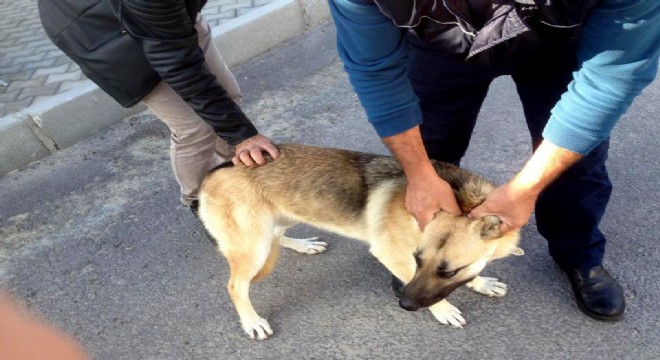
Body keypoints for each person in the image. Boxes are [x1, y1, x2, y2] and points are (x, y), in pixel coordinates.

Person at [328, 0, 659, 322]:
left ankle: (579, 254)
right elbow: (375, 71)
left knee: (574, 169)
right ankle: (426, 253)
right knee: (431, 155)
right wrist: (418, 173)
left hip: (561, 41)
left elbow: (610, 79)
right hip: (440, 45)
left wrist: (526, 189)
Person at [38, 0, 279, 213]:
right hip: (103, 36)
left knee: (227, 97)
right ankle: (201, 201)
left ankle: (243, 170)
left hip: (167, 20)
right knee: (194, 128)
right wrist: (242, 135)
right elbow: (176, 60)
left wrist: (238, 135)